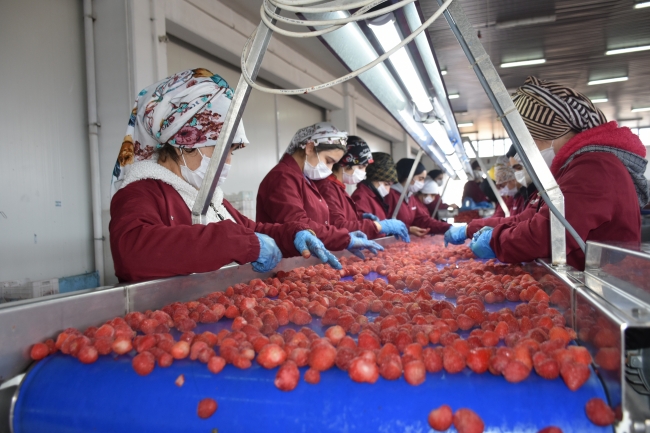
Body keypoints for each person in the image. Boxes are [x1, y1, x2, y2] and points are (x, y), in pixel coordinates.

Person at [109, 69, 340, 283]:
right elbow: (132, 252)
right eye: (220, 149)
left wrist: (293, 234)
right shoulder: (140, 193)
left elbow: (253, 230)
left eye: (231, 151)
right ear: (183, 142)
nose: (228, 160)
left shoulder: (211, 200)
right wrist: (239, 242)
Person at [447, 76, 648, 270]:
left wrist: (496, 241)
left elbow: (549, 234)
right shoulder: (570, 169)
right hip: (588, 280)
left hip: (605, 288)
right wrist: (472, 228)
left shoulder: (594, 168)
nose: (522, 153)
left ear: (549, 134)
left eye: (527, 142)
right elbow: (528, 218)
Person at [257, 122, 383, 259]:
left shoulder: (305, 179)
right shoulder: (282, 177)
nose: (330, 169)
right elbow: (299, 224)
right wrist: (344, 238)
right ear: (310, 148)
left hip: (304, 260)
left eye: (334, 164)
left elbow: (321, 223)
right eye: (329, 161)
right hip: (283, 263)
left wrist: (341, 238)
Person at [315, 136, 409, 241]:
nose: (364, 173)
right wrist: (378, 226)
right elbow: (338, 226)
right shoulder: (327, 188)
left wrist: (360, 218)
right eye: (360, 167)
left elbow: (343, 220)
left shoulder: (339, 188)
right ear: (344, 164)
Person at [385, 158, 451, 237]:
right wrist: (408, 229)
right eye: (420, 179)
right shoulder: (390, 195)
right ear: (409, 176)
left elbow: (422, 220)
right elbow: (384, 223)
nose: (422, 183)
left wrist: (448, 227)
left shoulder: (410, 197)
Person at [351, 152, 397, 221]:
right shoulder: (361, 198)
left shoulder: (375, 197)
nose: (388, 190)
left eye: (390, 185)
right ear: (374, 178)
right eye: (386, 184)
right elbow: (363, 227)